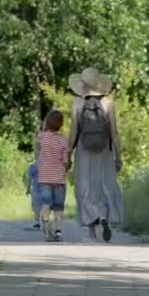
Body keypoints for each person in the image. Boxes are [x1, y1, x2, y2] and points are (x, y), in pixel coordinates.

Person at [67, 67, 124, 242]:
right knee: (104, 184)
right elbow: (114, 132)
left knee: (85, 187)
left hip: (84, 150)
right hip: (104, 150)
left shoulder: (77, 104)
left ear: (83, 85)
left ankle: (91, 228)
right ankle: (104, 216)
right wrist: (118, 155)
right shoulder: (108, 103)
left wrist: (68, 153)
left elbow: (73, 131)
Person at [36, 109, 70, 242]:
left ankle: (45, 224)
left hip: (45, 177)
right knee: (59, 207)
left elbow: (38, 149)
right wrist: (66, 167)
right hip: (59, 179)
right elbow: (66, 162)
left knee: (46, 203)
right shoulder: (63, 141)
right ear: (61, 124)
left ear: (47, 122)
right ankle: (58, 232)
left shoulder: (41, 137)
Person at [25, 161, 42, 230]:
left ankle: (37, 222)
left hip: (37, 189)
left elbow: (29, 178)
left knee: (36, 207)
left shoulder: (32, 166)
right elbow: (29, 178)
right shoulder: (47, 165)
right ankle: (41, 221)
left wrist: (28, 188)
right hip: (44, 189)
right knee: (43, 206)